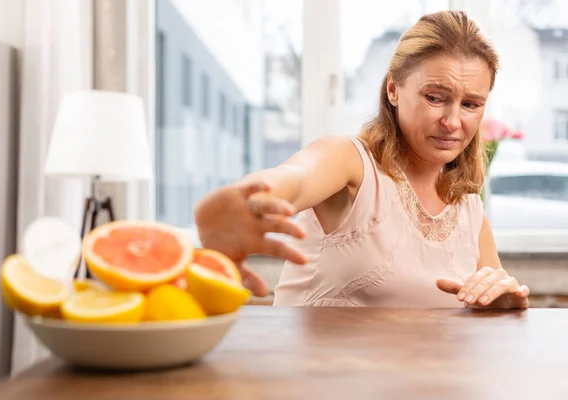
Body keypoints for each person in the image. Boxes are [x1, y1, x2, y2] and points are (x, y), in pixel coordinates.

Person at [194, 10, 530, 309]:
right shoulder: (351, 163)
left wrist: (501, 300)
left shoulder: (468, 207)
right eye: (434, 98)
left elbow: (489, 300)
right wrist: (248, 199)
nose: (453, 121)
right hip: (315, 377)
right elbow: (296, 178)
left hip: (421, 379)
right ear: (393, 90)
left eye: (470, 104)